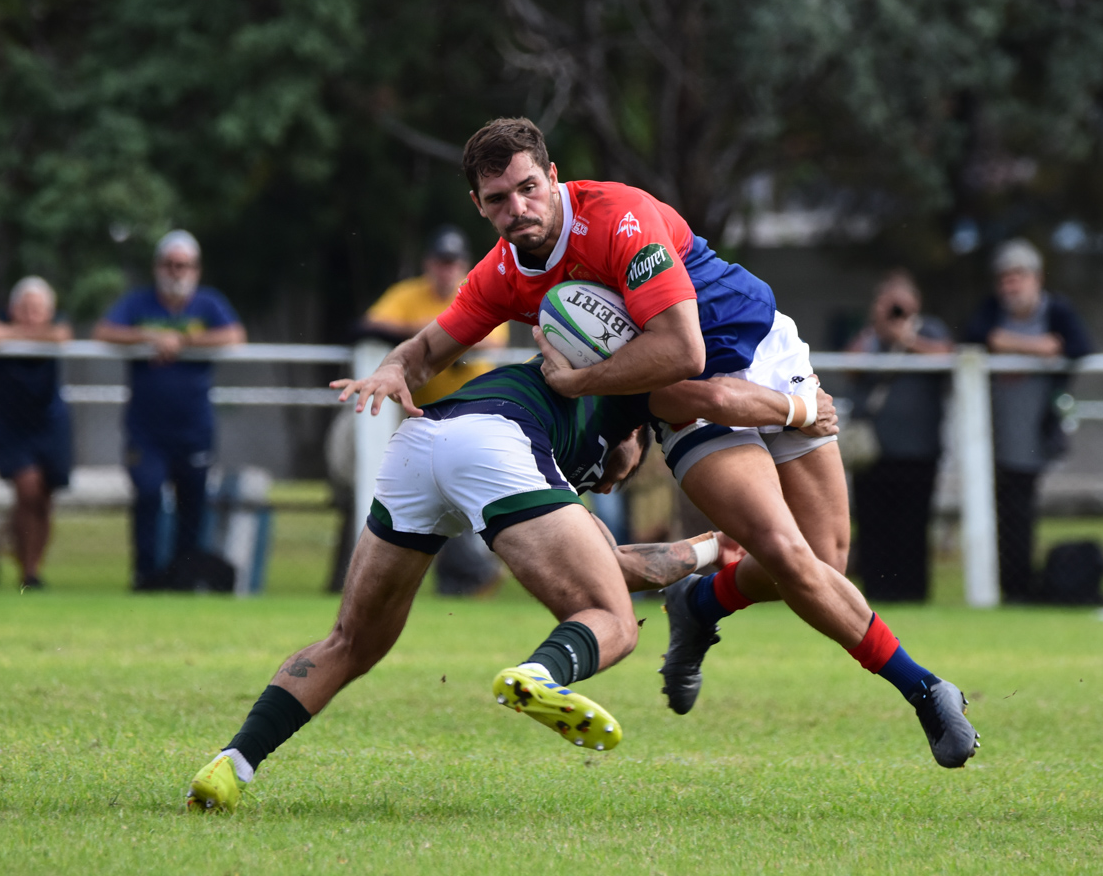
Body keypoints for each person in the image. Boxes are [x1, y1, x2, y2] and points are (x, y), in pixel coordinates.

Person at [333, 118, 978, 765]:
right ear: (478, 205)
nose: (517, 208)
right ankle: (925, 690)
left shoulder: (619, 219)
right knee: (784, 551)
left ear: (553, 177)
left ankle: (700, 600)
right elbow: (427, 349)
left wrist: (792, 403)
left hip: (764, 347)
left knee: (824, 558)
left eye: (528, 187)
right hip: (684, 397)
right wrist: (394, 367)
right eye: (498, 199)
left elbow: (684, 342)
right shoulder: (503, 273)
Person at [186, 331, 838, 812]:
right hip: (492, 444)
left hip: (421, 442)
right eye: (630, 462)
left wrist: (707, 550)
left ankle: (230, 765)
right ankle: (537, 675)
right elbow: (714, 395)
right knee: (614, 621)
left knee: (353, 641)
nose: (612, 485)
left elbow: (611, 563)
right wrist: (802, 412)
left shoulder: (571, 399)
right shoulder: (627, 405)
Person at [353, 224, 510, 597]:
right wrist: (439, 337)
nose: (447, 269)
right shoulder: (409, 294)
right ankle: (462, 574)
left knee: (457, 496)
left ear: (464, 265)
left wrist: (430, 341)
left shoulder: (478, 288)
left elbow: (491, 341)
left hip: (476, 417)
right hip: (424, 420)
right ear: (429, 264)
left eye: (453, 262)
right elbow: (368, 326)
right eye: (441, 261)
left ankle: (470, 570)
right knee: (436, 497)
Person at [93, 231, 246, 591]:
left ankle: (181, 578)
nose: (177, 271)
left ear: (196, 269)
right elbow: (104, 331)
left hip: (193, 427)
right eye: (170, 264)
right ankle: (145, 576)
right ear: (157, 267)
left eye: (184, 265)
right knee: (147, 494)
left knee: (191, 504)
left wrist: (184, 340)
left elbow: (235, 336)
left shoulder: (208, 304)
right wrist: (149, 338)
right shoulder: (139, 303)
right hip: (146, 428)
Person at [962, 239, 1093, 602]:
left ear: (1036, 278)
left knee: (1019, 511)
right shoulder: (991, 310)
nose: (1010, 286)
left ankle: (1021, 588)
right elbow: (974, 338)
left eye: (1017, 277)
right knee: (999, 513)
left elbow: (1080, 346)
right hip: (992, 433)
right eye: (1004, 279)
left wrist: (1006, 342)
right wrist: (1038, 347)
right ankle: (1008, 586)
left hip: (1034, 430)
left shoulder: (1057, 310)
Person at [846, 271, 953, 602]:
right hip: (873, 453)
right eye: (887, 300)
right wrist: (876, 328)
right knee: (874, 526)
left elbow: (947, 356)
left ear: (915, 302)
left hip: (918, 452)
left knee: (913, 527)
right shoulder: (869, 336)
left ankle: (913, 593)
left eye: (900, 300)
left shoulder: (929, 330)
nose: (894, 308)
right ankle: (877, 593)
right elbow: (850, 365)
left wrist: (906, 338)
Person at [0, 277, 73, 589]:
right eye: (24, 307)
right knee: (27, 490)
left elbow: (62, 335)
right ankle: (26, 570)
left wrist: (27, 335)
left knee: (44, 500)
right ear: (12, 309)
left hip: (51, 423)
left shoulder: (56, 328)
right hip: (12, 424)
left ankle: (34, 570)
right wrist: (19, 335)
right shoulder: (0, 326)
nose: (30, 314)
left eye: (38, 309)